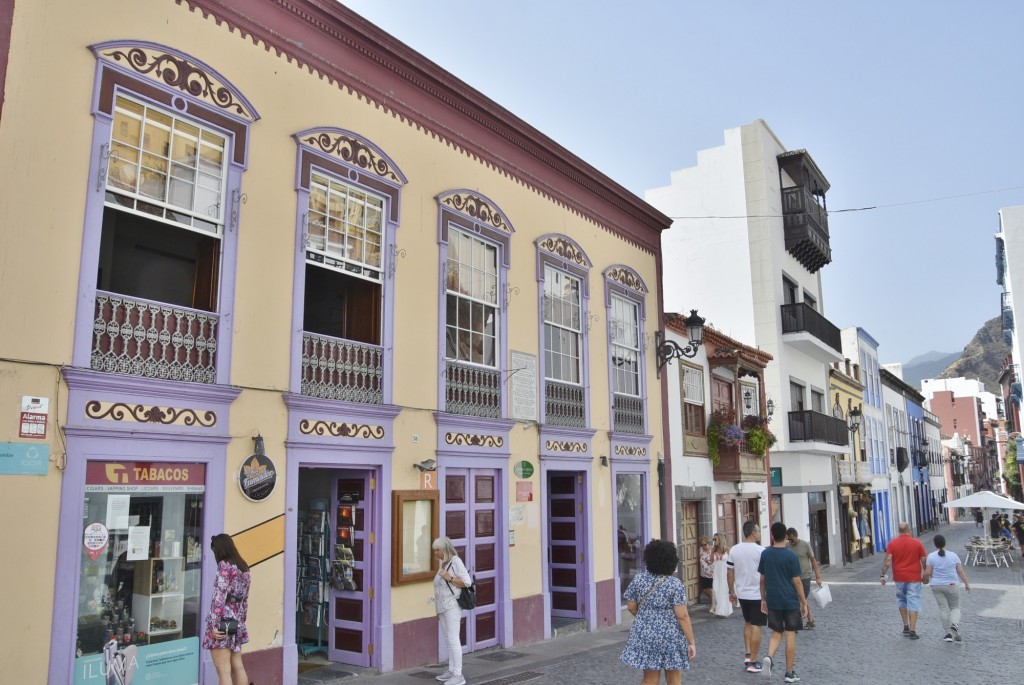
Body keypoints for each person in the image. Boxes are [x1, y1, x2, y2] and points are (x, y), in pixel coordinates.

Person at [620, 539, 697, 685]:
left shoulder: (639, 579)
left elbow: (631, 607)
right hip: (671, 636)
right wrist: (691, 642)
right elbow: (682, 616)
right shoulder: (674, 584)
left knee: (649, 680)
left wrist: (646, 618)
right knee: (674, 680)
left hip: (645, 634)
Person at [758, 522, 808, 683]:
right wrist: (804, 602)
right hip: (790, 601)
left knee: (776, 632)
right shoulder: (791, 556)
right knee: (790, 634)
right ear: (786, 536)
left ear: (772, 535)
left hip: (773, 600)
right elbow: (797, 581)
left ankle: (769, 657)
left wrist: (763, 598)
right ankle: (789, 672)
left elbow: (762, 579)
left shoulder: (765, 554)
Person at [202, 534, 252, 685]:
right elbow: (244, 600)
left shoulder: (225, 566)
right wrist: (241, 622)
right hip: (236, 619)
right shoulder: (243, 567)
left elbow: (219, 597)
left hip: (223, 619)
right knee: (238, 666)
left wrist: (213, 625)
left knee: (223, 670)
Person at [432, 537, 472, 685]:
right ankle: (451, 670)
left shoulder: (456, 562)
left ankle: (458, 675)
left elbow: (467, 582)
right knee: (448, 639)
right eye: (435, 550)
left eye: (437, 550)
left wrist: (449, 578)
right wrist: (437, 608)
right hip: (442, 607)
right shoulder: (443, 563)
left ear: (445, 549)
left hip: (452, 606)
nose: (435, 553)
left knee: (453, 639)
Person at [727, 521, 766, 673]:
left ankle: (748, 654)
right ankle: (753, 662)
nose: (759, 533)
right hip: (757, 594)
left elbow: (730, 573)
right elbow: (765, 575)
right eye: (758, 531)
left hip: (742, 593)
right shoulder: (761, 551)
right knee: (756, 626)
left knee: (748, 622)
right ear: (753, 533)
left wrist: (731, 591)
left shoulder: (734, 550)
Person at [879, 522, 927, 640]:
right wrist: (926, 575)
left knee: (901, 601)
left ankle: (906, 626)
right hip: (914, 578)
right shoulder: (917, 543)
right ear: (909, 530)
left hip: (899, 577)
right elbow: (924, 560)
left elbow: (887, 560)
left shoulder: (892, 543)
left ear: (898, 531)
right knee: (913, 602)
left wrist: (882, 575)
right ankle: (912, 631)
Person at [922, 534, 971, 642]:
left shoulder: (931, 556)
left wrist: (924, 580)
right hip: (952, 585)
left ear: (935, 544)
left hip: (937, 585)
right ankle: (954, 625)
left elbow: (927, 572)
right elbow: (960, 571)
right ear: (945, 543)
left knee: (943, 609)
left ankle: (948, 634)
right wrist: (966, 583)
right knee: (955, 607)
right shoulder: (953, 556)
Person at [785, 528, 821, 629]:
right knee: (802, 599)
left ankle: (794, 623)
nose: (789, 540)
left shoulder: (805, 545)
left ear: (793, 535)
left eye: (790, 538)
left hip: (805, 577)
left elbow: (813, 560)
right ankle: (810, 621)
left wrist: (818, 577)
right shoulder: (787, 546)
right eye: (788, 539)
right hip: (792, 578)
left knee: (800, 600)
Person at [710, 534, 733, 618]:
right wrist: (712, 552)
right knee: (716, 590)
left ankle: (725, 612)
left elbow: (731, 561)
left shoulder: (727, 549)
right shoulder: (714, 549)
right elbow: (711, 561)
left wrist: (731, 573)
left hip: (725, 572)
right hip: (716, 573)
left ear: (720, 539)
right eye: (713, 539)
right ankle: (719, 610)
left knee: (724, 591)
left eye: (715, 539)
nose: (714, 541)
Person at [697, 536, 715, 609]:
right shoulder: (700, 549)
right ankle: (712, 601)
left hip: (711, 574)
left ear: (708, 543)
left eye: (705, 544)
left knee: (711, 589)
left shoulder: (712, 550)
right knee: (704, 589)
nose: (703, 546)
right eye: (702, 545)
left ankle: (712, 604)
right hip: (703, 573)